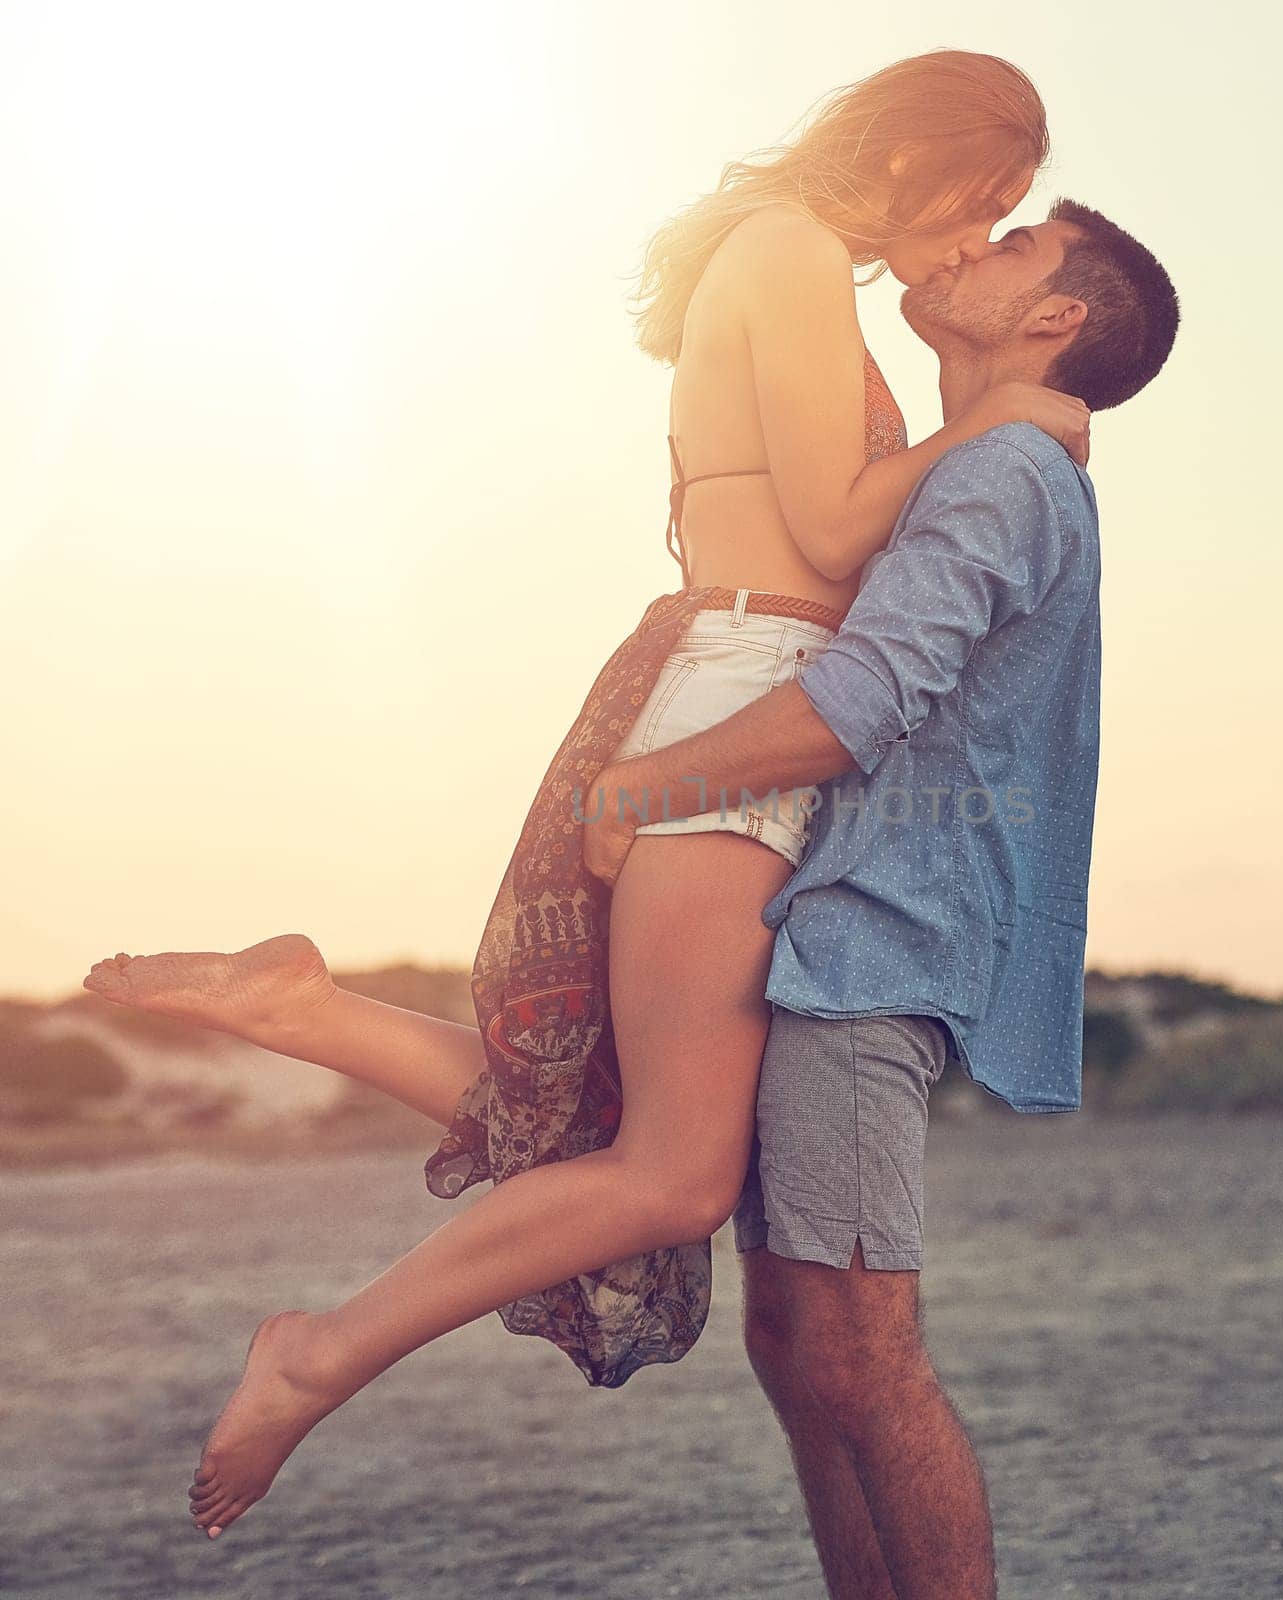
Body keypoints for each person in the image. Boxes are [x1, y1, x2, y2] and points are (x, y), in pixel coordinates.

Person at [79, 50, 1091, 1539]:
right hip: (750, 685)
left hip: (741, 674)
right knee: (676, 1178)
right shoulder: (799, 252)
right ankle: (317, 1353)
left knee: (622, 1120)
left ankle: (312, 1014)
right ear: (911, 156)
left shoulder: (787, 258)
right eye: (981, 199)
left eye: (1007, 218)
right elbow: (827, 522)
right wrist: (1003, 426)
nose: (968, 235)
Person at [581, 196, 1181, 1600]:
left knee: (858, 1347)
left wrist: (639, 788)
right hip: (838, 931)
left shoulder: (1003, 478)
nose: (970, 247)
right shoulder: (962, 466)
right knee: (795, 1338)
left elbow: (854, 706)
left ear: (1056, 323)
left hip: (878, 946)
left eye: (1014, 244)